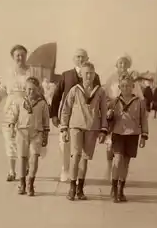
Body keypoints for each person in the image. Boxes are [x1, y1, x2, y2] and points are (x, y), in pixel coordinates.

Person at [50, 48, 101, 182]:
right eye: (77, 57)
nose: (80, 59)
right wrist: (54, 114)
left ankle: (78, 174)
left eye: (83, 57)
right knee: (65, 145)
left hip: (86, 119)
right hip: (68, 116)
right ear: (73, 59)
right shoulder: (66, 75)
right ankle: (65, 169)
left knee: (81, 148)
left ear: (87, 59)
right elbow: (56, 96)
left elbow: (99, 98)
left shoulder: (94, 76)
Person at [60, 62, 108, 201]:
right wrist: (64, 127)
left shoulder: (100, 91)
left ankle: (80, 188)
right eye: (86, 73)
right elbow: (66, 109)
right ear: (80, 74)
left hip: (92, 127)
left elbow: (104, 111)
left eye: (91, 73)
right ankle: (72, 187)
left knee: (85, 158)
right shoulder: (75, 90)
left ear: (94, 75)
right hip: (76, 126)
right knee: (75, 155)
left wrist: (103, 130)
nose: (89, 76)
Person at [0, 44, 36, 182]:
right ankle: (11, 171)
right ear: (13, 57)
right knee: (10, 139)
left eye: (22, 55)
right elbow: (1, 90)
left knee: (26, 139)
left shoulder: (31, 72)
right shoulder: (8, 72)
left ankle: (26, 164)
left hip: (27, 109)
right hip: (10, 108)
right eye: (17, 55)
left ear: (26, 56)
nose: (20, 58)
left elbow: (39, 90)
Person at [107, 74, 148, 203]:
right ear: (119, 87)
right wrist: (109, 116)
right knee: (117, 160)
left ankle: (121, 189)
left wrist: (144, 136)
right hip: (118, 133)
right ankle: (113, 188)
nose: (125, 88)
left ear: (133, 87)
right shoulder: (114, 102)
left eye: (128, 86)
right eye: (123, 86)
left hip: (132, 135)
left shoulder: (139, 102)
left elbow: (144, 120)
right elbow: (108, 119)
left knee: (125, 163)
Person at [6, 76, 50, 196]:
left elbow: (46, 120)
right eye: (28, 89)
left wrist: (46, 135)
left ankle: (31, 182)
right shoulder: (20, 101)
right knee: (22, 158)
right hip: (22, 133)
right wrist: (11, 125)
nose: (31, 92)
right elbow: (14, 114)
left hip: (37, 133)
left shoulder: (42, 103)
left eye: (33, 89)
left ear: (38, 90)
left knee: (34, 157)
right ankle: (22, 183)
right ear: (25, 89)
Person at [102, 55, 144, 181]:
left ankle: (121, 175)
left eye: (125, 63)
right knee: (110, 145)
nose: (122, 66)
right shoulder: (111, 79)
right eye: (120, 63)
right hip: (114, 113)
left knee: (125, 152)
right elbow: (105, 96)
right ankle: (110, 167)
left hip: (129, 117)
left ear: (128, 65)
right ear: (116, 64)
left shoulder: (133, 80)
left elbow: (140, 98)